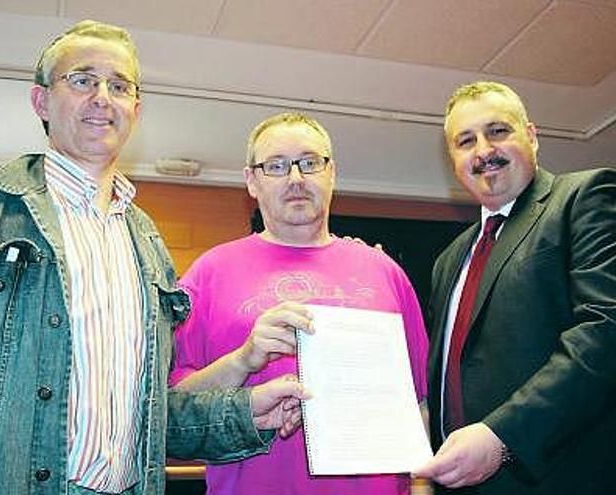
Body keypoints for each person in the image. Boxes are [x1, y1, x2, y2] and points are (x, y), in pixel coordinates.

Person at [0, 20, 307, 495]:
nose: (102, 97)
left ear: (135, 108)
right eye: (83, 80)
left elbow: (152, 418)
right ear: (41, 101)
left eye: (119, 85)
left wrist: (250, 410)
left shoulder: (146, 243)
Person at [413, 81, 616, 493]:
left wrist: (502, 437)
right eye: (466, 141)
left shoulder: (588, 197)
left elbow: (609, 333)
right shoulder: (449, 260)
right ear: (454, 160)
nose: (483, 150)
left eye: (497, 131)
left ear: (532, 137)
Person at [169, 112, 429, 494]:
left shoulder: (384, 271)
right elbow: (174, 409)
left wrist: (423, 485)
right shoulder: (209, 272)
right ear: (251, 181)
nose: (295, 178)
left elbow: (418, 404)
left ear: (332, 173)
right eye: (275, 166)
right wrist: (243, 359)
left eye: (309, 163)